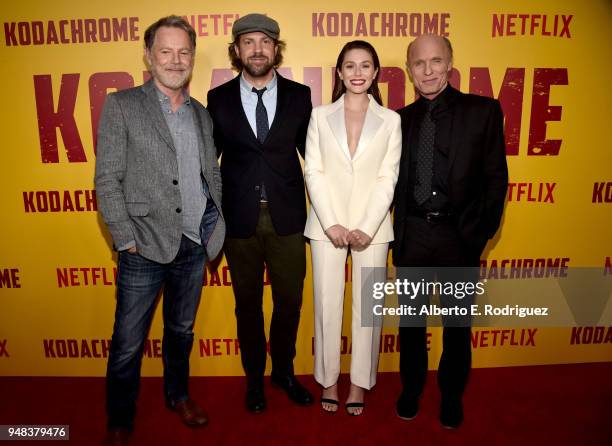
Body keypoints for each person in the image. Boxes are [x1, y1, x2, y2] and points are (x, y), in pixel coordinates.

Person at [95, 15, 225, 446]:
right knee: (129, 343)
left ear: (192, 57)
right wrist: (125, 238)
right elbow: (107, 178)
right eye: (166, 51)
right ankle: (120, 417)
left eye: (184, 52)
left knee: (181, 332)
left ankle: (178, 395)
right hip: (143, 247)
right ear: (149, 56)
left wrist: (211, 225)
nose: (176, 60)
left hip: (192, 245)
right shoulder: (122, 104)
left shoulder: (202, 114)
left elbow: (211, 174)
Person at [392, 34, 508, 428]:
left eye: (435, 61)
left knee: (457, 329)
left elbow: (496, 179)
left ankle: (451, 396)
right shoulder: (398, 120)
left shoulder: (484, 111)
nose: (427, 70)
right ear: (409, 69)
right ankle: (411, 390)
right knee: (411, 326)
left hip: (460, 238)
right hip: (412, 235)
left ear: (450, 63)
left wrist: (478, 235)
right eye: (418, 63)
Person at [206, 13, 313, 413]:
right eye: (248, 42)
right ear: (236, 50)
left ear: (276, 49)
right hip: (239, 222)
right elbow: (207, 164)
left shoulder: (301, 97)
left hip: (287, 220)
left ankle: (283, 372)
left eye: (265, 42)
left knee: (290, 302)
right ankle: (254, 380)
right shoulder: (217, 100)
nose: (257, 49)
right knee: (246, 304)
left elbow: (316, 161)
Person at [304, 40, 401, 415]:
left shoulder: (391, 120)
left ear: (375, 73)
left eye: (365, 66)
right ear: (340, 72)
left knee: (368, 309)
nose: (357, 73)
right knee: (327, 304)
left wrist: (365, 225)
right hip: (326, 226)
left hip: (372, 228)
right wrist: (332, 223)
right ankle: (329, 379)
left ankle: (359, 383)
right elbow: (314, 170)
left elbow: (387, 176)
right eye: (350, 66)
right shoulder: (319, 116)